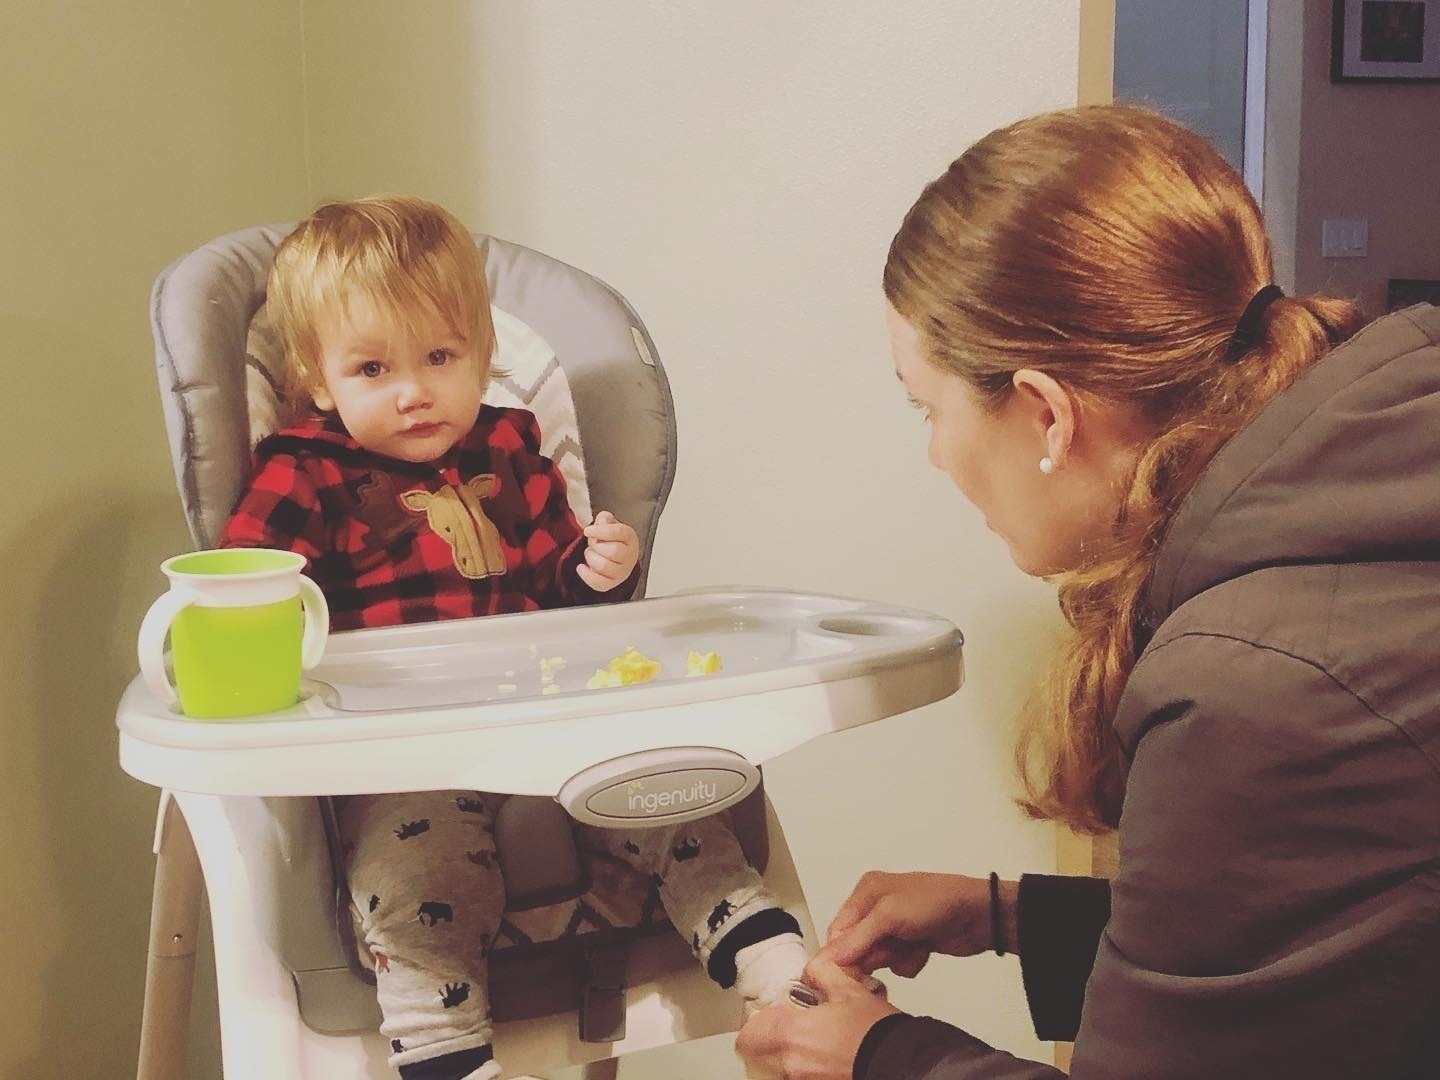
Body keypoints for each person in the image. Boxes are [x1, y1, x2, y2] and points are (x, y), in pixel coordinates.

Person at [736, 103, 1440, 1079]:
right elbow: (1342, 943)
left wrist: (877, 1053)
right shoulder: (1367, 521)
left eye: (927, 408)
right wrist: (1012, 916)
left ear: (1046, 415)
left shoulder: (1259, 683)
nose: (935, 455)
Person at [220, 195, 808, 1080]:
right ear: (318, 380)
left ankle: (768, 960)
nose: (414, 391)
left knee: (661, 797)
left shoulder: (510, 447)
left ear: (481, 354)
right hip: (400, 749)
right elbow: (246, 586)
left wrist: (597, 569)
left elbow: (556, 583)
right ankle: (445, 1050)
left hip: (547, 719)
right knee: (422, 877)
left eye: (440, 357)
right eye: (373, 367)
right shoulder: (304, 468)